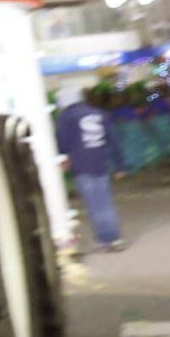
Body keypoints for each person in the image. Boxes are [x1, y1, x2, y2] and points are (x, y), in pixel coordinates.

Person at [53, 83, 125, 252]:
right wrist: (120, 165)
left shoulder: (66, 117)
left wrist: (63, 158)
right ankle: (115, 238)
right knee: (105, 202)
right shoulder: (97, 113)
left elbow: (62, 142)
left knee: (93, 205)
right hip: (101, 162)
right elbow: (113, 140)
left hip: (81, 165)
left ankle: (104, 240)